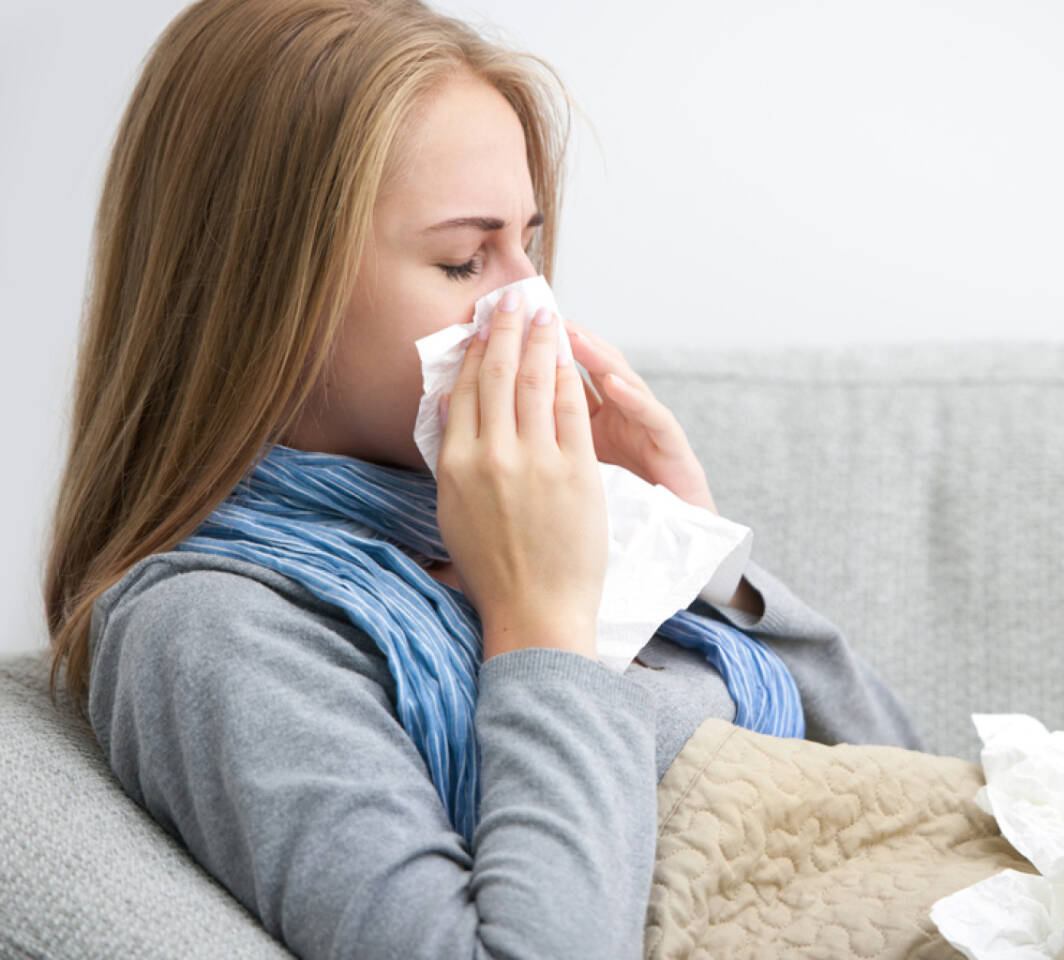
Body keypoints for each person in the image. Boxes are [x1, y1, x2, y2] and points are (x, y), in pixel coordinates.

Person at [41, 1, 925, 957]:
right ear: (265, 295)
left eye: (529, 247)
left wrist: (691, 550)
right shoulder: (217, 629)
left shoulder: (514, 519)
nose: (530, 304)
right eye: (465, 260)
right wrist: (540, 624)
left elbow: (911, 789)